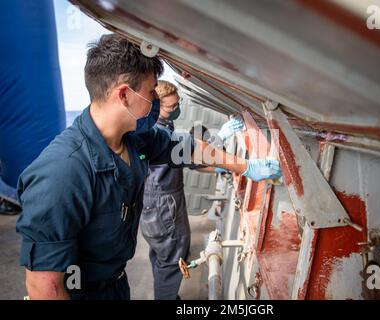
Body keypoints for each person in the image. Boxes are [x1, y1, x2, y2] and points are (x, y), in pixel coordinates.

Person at [16, 34, 281, 300]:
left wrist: (246, 166)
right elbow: (45, 288)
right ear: (123, 94)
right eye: (151, 90)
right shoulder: (62, 173)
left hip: (116, 283)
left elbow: (189, 147)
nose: (155, 98)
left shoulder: (133, 139)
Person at [140, 81, 244, 300]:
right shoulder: (156, 131)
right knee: (172, 259)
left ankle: (165, 294)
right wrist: (220, 138)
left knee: (162, 256)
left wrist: (221, 165)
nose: (175, 109)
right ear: (156, 105)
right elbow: (188, 154)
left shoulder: (159, 126)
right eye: (170, 107)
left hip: (158, 203)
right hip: (164, 205)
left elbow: (188, 161)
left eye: (177, 104)